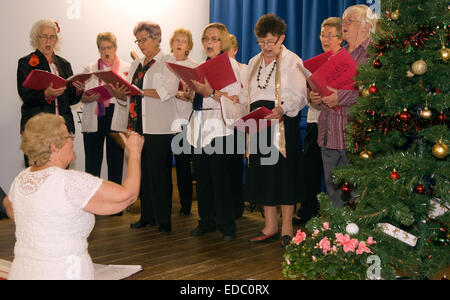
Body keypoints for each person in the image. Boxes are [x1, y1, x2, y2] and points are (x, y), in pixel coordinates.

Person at [5, 113, 144, 280]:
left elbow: (10, 207)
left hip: (23, 271)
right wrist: (134, 152)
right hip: (64, 272)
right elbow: (127, 197)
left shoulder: (22, 178)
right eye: (68, 135)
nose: (73, 139)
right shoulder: (69, 182)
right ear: (55, 146)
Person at [245, 14, 307, 247]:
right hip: (259, 123)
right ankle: (270, 225)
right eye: (261, 41)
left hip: (281, 123)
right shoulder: (253, 62)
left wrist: (283, 109)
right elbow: (246, 95)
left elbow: (301, 96)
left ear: (282, 38)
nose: (265, 46)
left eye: (270, 41)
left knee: (284, 175)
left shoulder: (293, 61)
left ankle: (288, 227)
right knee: (263, 174)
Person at [113, 21, 179, 233]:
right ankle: (147, 215)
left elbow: (167, 90)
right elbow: (128, 94)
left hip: (160, 127)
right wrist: (120, 94)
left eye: (144, 39)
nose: (141, 44)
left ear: (157, 38)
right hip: (137, 124)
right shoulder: (136, 64)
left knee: (160, 174)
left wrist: (139, 90)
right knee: (142, 173)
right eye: (138, 40)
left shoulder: (168, 61)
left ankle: (163, 219)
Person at [310, 5, 377, 208]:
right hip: (329, 134)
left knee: (357, 196)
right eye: (343, 20)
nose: (343, 25)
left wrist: (340, 97)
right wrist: (315, 95)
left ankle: (358, 239)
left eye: (349, 21)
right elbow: (323, 87)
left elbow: (375, 91)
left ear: (365, 26)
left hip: (355, 137)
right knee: (334, 194)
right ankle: (338, 238)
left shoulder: (374, 54)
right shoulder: (336, 55)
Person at [187, 23, 247, 241]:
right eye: (206, 39)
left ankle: (227, 225)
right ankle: (206, 221)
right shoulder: (202, 65)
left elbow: (236, 100)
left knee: (221, 179)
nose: (209, 43)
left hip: (221, 128)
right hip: (201, 124)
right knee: (203, 177)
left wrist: (210, 92)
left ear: (224, 42)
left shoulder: (231, 66)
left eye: (214, 39)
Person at [294, 17, 343, 225]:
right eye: (322, 34)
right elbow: (310, 94)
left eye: (330, 35)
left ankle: (338, 215)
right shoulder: (317, 62)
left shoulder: (346, 61)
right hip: (316, 121)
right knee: (310, 168)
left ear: (341, 38)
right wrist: (311, 97)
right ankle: (309, 211)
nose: (325, 39)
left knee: (336, 173)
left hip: (338, 123)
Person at [17, 18, 84, 166]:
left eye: (52, 37)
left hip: (62, 128)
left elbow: (71, 99)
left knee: (61, 175)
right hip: (38, 129)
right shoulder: (25, 63)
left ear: (56, 40)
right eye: (44, 36)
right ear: (36, 38)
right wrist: (46, 94)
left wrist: (78, 91)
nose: (48, 40)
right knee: (37, 173)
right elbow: (25, 94)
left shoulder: (64, 64)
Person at [81, 32, 130, 215]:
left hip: (115, 116)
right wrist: (87, 97)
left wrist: (121, 96)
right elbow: (82, 96)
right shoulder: (90, 68)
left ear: (115, 48)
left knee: (115, 162)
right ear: (98, 49)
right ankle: (92, 205)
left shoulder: (127, 67)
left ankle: (116, 206)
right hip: (95, 116)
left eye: (109, 47)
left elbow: (130, 96)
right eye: (102, 48)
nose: (106, 51)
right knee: (92, 163)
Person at [170, 28, 197, 216]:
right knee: (163, 165)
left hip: (184, 122)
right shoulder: (164, 63)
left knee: (182, 166)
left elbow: (200, 95)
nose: (180, 43)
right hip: (163, 121)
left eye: (184, 41)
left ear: (189, 46)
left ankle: (186, 206)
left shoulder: (194, 66)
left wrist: (190, 96)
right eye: (177, 40)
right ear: (171, 43)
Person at [228, 34, 247, 219]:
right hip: (222, 123)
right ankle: (227, 206)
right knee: (224, 168)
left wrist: (238, 97)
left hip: (239, 123)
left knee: (234, 166)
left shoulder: (245, 69)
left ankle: (236, 206)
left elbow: (248, 95)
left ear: (235, 50)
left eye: (229, 50)